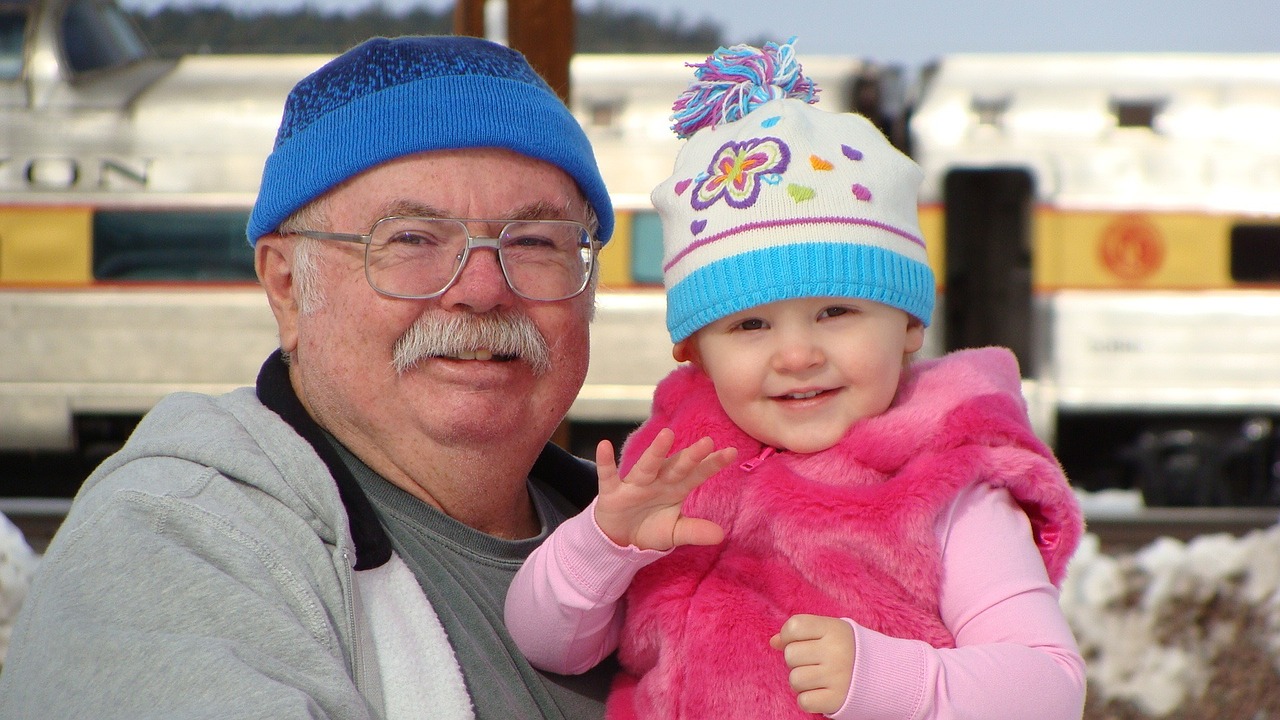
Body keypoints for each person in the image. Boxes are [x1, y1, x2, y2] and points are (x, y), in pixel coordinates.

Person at [0, 36, 618, 719]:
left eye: (534, 242)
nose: (480, 288)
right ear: (288, 288)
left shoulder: (676, 544)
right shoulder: (170, 542)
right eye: (411, 238)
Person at [504, 39, 1087, 719]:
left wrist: (885, 679)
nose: (797, 354)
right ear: (694, 349)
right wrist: (604, 546)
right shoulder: (676, 472)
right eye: (750, 326)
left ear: (907, 325)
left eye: (835, 311)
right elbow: (549, 644)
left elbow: (1049, 687)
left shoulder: (950, 491)